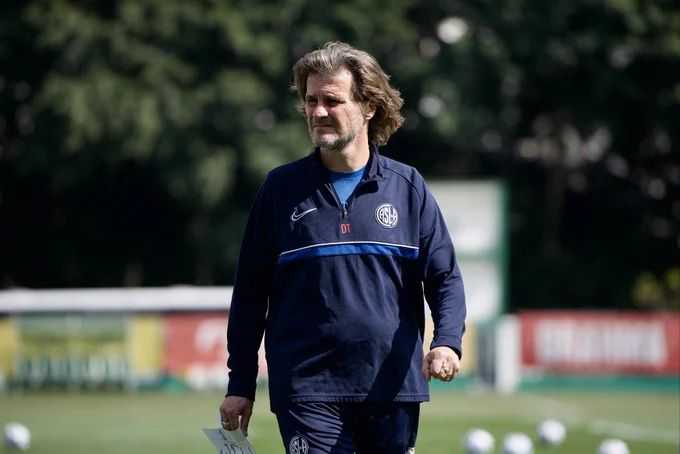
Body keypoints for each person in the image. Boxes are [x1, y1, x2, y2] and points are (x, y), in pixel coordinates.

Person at [219, 41, 466, 454]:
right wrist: (240, 383)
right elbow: (249, 295)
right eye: (310, 100)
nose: (317, 112)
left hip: (392, 387)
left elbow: (444, 278)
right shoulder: (280, 190)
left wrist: (447, 341)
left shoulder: (408, 187)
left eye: (331, 101)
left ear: (368, 106)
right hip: (306, 389)